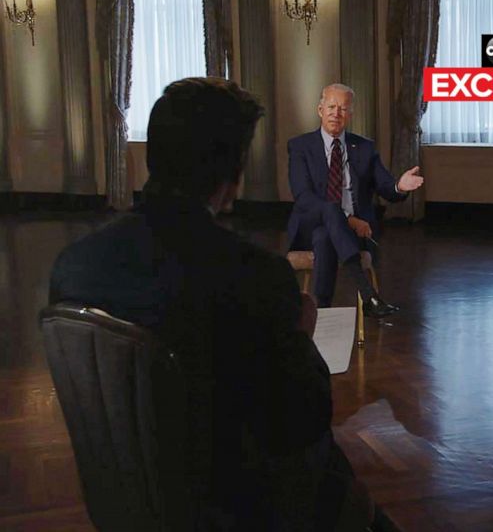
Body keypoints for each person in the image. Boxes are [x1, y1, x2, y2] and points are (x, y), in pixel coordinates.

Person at [49, 77, 392, 530]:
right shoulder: (255, 275)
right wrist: (303, 340)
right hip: (233, 510)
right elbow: (303, 417)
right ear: (233, 175)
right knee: (334, 474)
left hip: (124, 503)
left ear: (154, 153)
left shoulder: (72, 266)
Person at [287, 83, 423, 314]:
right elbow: (303, 198)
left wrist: (399, 186)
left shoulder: (364, 147)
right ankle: (367, 294)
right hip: (310, 226)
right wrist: (349, 220)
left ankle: (322, 311)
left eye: (342, 108)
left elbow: (386, 186)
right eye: (331, 106)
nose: (335, 113)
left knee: (325, 237)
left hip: (352, 234)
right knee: (328, 214)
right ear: (320, 110)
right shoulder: (300, 146)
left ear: (350, 114)